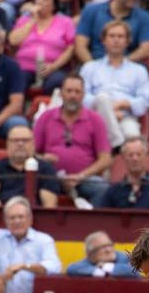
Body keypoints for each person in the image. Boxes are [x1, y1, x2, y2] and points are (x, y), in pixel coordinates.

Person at [33, 74, 112, 205]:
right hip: (50, 177)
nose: (73, 96)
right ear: (61, 93)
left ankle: (93, 225)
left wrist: (80, 176)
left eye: (77, 92)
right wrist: (43, 159)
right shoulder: (46, 117)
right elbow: (31, 153)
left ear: (83, 95)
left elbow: (106, 159)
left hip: (84, 179)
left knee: (103, 189)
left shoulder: (95, 119)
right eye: (69, 91)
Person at [0, 197, 62, 293]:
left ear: (30, 219)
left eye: (21, 217)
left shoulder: (44, 240)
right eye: (12, 218)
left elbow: (55, 267)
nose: (17, 221)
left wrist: (25, 266)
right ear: (5, 221)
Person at [81, 19, 149, 149]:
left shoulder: (139, 70)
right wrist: (108, 109)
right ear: (103, 40)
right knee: (102, 98)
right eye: (112, 36)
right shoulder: (89, 68)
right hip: (94, 119)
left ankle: (112, 144)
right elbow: (82, 97)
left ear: (127, 41)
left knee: (134, 140)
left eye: (120, 36)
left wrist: (121, 104)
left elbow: (144, 102)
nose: (116, 40)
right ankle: (116, 143)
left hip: (125, 117)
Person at [9, 0, 76, 96]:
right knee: (18, 81)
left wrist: (53, 66)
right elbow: (13, 41)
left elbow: (70, 48)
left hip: (53, 67)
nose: (40, 2)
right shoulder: (24, 20)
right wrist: (32, 20)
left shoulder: (65, 22)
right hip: (25, 66)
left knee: (55, 82)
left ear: (54, 5)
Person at [74, 0, 149, 63]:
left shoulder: (144, 17)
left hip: (129, 68)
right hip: (94, 64)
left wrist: (120, 65)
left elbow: (145, 50)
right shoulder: (91, 11)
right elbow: (80, 46)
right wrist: (95, 68)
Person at [0, 125, 60, 208]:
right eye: (15, 140)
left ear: (33, 144)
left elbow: (49, 205)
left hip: (35, 216)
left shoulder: (46, 169)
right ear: (7, 144)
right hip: (3, 214)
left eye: (25, 140)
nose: (20, 144)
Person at [99, 136, 149, 211]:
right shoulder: (114, 189)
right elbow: (104, 216)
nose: (135, 158)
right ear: (123, 158)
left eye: (139, 154)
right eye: (130, 155)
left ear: (146, 156)